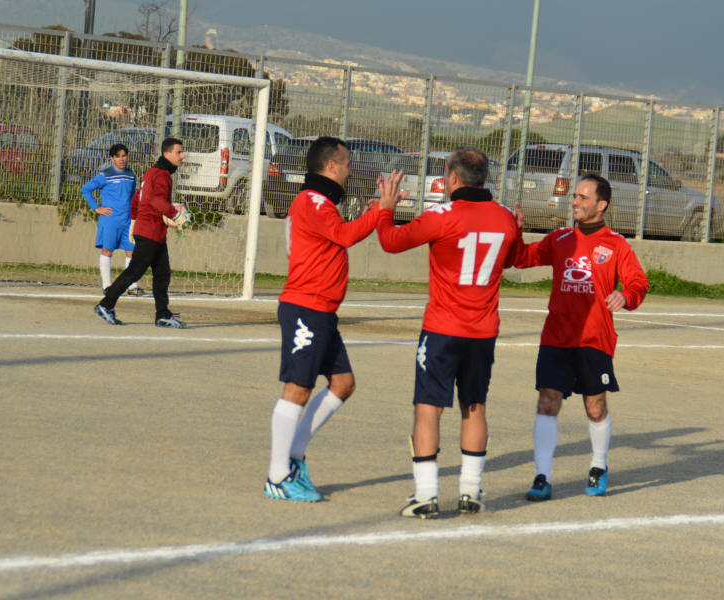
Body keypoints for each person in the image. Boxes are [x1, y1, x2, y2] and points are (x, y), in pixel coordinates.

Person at [375, 147, 520, 518]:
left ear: (453, 178)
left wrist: (385, 208)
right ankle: (470, 491)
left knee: (428, 407)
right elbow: (514, 257)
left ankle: (426, 495)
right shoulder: (505, 217)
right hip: (482, 331)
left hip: (442, 328)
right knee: (474, 405)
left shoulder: (441, 216)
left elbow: (390, 241)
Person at [512, 174, 648, 501]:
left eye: (583, 197)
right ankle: (542, 476)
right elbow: (521, 258)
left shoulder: (616, 244)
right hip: (556, 336)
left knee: (595, 406)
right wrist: (515, 233)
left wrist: (626, 295)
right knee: (547, 402)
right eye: (575, 196)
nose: (575, 201)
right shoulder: (559, 239)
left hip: (594, 339)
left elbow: (638, 283)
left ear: (601, 205)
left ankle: (598, 466)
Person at [264, 136, 380, 503]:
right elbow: (344, 236)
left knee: (343, 384)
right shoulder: (313, 201)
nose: (349, 172)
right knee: (298, 388)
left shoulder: (319, 203)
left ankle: (294, 457)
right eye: (346, 165)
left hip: (322, 311)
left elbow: (334, 237)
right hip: (306, 308)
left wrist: (371, 212)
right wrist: (380, 212)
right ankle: (277, 475)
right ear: (331, 166)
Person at [94, 137, 188, 329]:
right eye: (178, 152)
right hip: (150, 231)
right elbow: (156, 201)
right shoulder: (162, 174)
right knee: (135, 271)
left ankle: (163, 314)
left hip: (151, 230)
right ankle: (106, 304)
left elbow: (138, 197)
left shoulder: (152, 172)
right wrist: (175, 215)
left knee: (162, 274)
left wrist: (134, 221)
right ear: (167, 154)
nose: (182, 156)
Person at [81, 143, 141, 295]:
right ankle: (107, 286)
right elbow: (86, 189)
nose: (122, 159)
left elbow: (133, 196)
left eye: (124, 156)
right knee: (107, 251)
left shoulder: (131, 175)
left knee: (132, 252)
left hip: (128, 220)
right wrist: (96, 207)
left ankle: (132, 286)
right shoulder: (105, 175)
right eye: (118, 156)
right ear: (112, 159)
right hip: (110, 220)